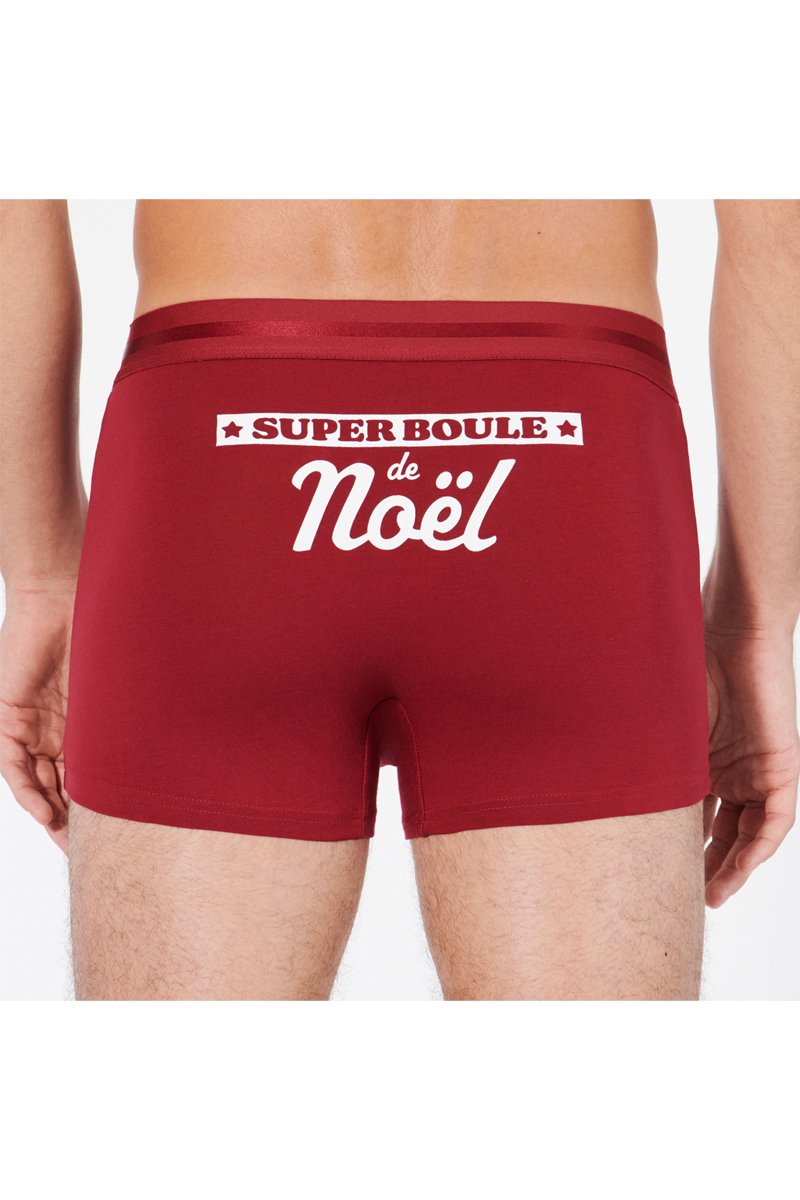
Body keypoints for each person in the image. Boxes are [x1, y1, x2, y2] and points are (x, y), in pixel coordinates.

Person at [1, 200, 797, 1001]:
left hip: (223, 441)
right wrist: (754, 627)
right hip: (567, 446)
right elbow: (779, 225)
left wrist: (41, 579)